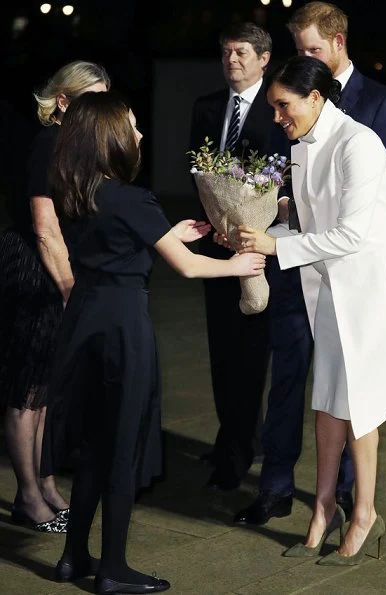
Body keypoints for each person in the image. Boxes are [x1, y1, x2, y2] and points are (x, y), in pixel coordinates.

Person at [40, 90, 266, 593]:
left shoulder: (75, 190)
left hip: (82, 325)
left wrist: (166, 232)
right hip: (123, 329)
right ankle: (114, 570)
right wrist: (235, 266)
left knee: (96, 447)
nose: (140, 135)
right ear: (110, 139)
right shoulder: (130, 196)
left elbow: (118, 240)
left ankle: (73, 556)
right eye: (133, 127)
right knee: (122, 448)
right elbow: (186, 266)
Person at [234, 55, 386, 564]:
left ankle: (366, 513)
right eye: (273, 108)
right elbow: (309, 229)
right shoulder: (303, 145)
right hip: (330, 289)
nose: (277, 118)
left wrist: (274, 247)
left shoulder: (360, 144)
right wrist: (251, 236)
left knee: (359, 405)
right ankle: (323, 510)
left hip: (372, 291)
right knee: (327, 405)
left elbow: (352, 234)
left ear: (315, 97)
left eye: (283, 106)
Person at [0, 60, 110, 533]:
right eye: (92, 99)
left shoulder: (74, 145)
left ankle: (44, 486)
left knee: (45, 391)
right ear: (63, 102)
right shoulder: (48, 143)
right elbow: (46, 231)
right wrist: (70, 291)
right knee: (27, 392)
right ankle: (27, 497)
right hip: (35, 274)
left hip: (60, 268)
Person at [189, 22, 291, 491]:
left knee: (252, 353)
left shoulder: (278, 110)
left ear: (264, 58)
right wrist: (216, 225)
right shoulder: (206, 107)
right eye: (227, 52)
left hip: (260, 249)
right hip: (215, 248)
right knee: (219, 349)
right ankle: (231, 433)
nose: (233, 60)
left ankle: (239, 451)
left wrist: (254, 231)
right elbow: (200, 173)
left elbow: (283, 181)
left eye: (242, 52)